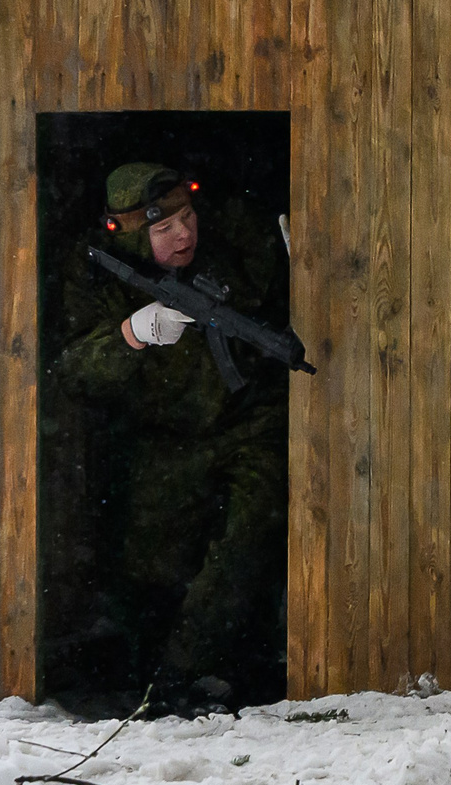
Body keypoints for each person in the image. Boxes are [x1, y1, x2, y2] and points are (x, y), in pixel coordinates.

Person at [48, 162, 294, 713]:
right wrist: (132, 334)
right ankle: (151, 670)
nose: (184, 234)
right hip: (163, 438)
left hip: (249, 419)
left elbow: (281, 281)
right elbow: (71, 370)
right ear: (132, 235)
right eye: (165, 230)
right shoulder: (96, 275)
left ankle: (187, 672)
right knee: (145, 565)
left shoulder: (234, 241)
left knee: (248, 540)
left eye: (187, 217)